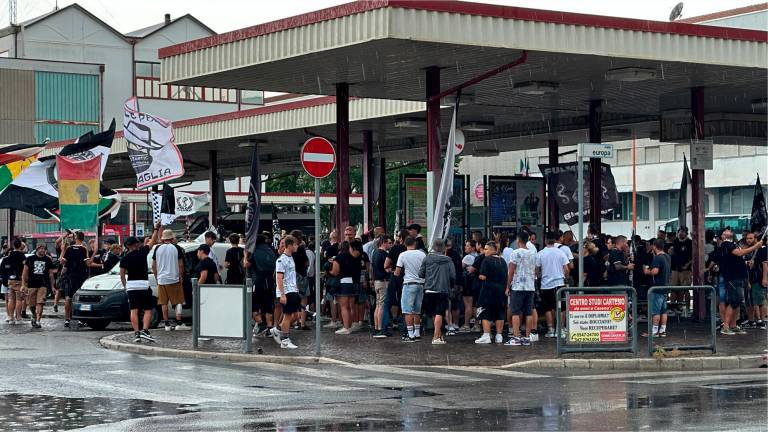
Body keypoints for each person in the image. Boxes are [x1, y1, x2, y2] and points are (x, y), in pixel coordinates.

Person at [718, 228, 762, 335]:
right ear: (723, 236)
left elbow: (737, 258)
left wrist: (746, 263)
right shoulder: (726, 244)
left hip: (740, 276)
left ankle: (733, 325)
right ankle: (726, 326)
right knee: (733, 301)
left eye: (728, 231)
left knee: (737, 302)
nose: (727, 231)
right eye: (724, 232)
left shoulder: (734, 244)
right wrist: (755, 246)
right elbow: (739, 253)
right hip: (733, 278)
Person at [120, 232, 158, 343]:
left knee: (134, 310)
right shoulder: (142, 252)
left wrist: (125, 286)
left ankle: (136, 333)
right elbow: (153, 241)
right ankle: (145, 331)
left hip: (131, 286)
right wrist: (156, 229)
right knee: (147, 309)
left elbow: (122, 275)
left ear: (127, 246)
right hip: (143, 285)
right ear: (136, 244)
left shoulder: (124, 258)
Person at [418, 238, 455, 345]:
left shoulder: (427, 258)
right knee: (439, 313)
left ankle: (438, 335)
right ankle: (435, 337)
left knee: (434, 313)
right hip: (443, 289)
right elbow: (453, 276)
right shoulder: (448, 260)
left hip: (429, 290)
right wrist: (451, 285)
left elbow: (420, 274)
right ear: (444, 248)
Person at [536, 232, 570, 338]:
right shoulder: (560, 252)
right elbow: (567, 269)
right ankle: (560, 329)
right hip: (559, 283)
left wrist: (541, 275)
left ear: (545, 241)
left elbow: (537, 270)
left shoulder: (540, 253)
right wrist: (565, 277)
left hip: (545, 284)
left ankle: (550, 329)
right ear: (555, 241)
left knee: (548, 307)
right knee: (561, 307)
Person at [152, 229, 187, 331]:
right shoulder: (177, 248)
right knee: (178, 301)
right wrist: (181, 276)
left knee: (163, 303)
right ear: (172, 239)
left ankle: (167, 324)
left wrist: (157, 277)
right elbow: (180, 264)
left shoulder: (157, 248)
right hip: (174, 278)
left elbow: (153, 265)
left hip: (161, 279)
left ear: (163, 239)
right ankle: (179, 323)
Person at [506, 232, 537, 346]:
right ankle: (527, 337)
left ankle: (516, 337)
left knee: (515, 312)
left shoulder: (514, 253)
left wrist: (507, 286)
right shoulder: (533, 254)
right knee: (528, 312)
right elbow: (536, 270)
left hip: (518, 286)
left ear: (518, 240)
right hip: (530, 286)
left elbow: (511, 271)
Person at [395, 236, 427, 342]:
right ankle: (417, 333)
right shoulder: (422, 254)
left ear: (405, 244)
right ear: (415, 243)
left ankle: (410, 335)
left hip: (409, 284)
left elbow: (397, 271)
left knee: (407, 310)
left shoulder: (403, 255)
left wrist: (394, 273)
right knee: (417, 311)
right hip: (420, 284)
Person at [475, 241, 507, 344]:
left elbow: (483, 276)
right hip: (501, 291)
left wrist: (479, 276)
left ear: (493, 250)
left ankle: (486, 335)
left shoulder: (486, 260)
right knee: (499, 313)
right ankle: (499, 335)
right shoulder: (503, 261)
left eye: (486, 249)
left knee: (486, 313)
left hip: (488, 290)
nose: (485, 251)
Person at [272, 235, 301, 349]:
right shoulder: (281, 259)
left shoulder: (290, 257)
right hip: (287, 291)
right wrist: (282, 294)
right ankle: (285, 340)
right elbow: (279, 278)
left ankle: (278, 330)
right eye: (295, 244)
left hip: (292, 290)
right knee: (288, 315)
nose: (297, 246)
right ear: (290, 245)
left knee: (294, 315)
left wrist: (296, 287)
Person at [245, 235, 277, 336]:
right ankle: (269, 328)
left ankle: (260, 323)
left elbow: (246, 264)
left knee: (252, 304)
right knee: (268, 305)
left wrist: (245, 255)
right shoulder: (271, 250)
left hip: (258, 280)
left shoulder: (254, 251)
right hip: (270, 280)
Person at [329, 241, 362, 334]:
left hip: (343, 283)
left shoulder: (338, 258)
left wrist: (329, 271)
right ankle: (350, 326)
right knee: (351, 307)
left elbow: (335, 272)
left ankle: (346, 327)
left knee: (344, 307)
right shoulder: (353, 258)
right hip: (352, 282)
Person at [642, 239, 672, 338]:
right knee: (663, 311)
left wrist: (647, 271)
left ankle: (654, 332)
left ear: (654, 246)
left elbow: (655, 271)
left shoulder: (658, 258)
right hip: (666, 286)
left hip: (657, 287)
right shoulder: (667, 256)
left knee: (655, 311)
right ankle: (662, 331)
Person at [60, 231, 90, 328]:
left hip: (70, 277)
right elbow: (88, 263)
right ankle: (81, 319)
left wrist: (63, 250)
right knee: (81, 298)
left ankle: (67, 319)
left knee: (68, 298)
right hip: (81, 277)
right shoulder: (84, 249)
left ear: (75, 237)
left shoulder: (69, 249)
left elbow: (62, 262)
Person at [22, 244, 55, 328]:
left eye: (44, 249)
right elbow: (24, 273)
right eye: (41, 249)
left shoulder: (48, 259)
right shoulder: (30, 259)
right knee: (31, 305)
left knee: (40, 303)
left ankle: (38, 320)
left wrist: (52, 286)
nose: (43, 250)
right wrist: (23, 284)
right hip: (31, 284)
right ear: (37, 249)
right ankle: (34, 315)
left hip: (43, 285)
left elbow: (50, 274)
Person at [383, 229, 409, 337]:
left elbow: (386, 265)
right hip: (407, 278)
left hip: (395, 277)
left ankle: (384, 327)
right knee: (406, 303)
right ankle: (406, 328)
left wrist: (391, 270)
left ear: (401, 238)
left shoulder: (394, 249)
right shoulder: (411, 250)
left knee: (387, 302)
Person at [371, 235, 392, 338]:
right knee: (382, 305)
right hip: (383, 281)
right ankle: (380, 329)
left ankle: (376, 327)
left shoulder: (375, 253)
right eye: (389, 242)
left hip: (377, 281)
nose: (390, 244)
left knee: (378, 304)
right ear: (383, 242)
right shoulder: (384, 254)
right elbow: (387, 269)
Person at [1, 239, 27, 325]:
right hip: (19, 279)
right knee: (19, 299)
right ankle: (18, 317)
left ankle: (10, 317)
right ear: (20, 246)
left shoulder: (10, 255)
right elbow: (25, 266)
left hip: (10, 279)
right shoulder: (22, 256)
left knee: (11, 299)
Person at [444, 238, 464, 335]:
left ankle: (450, 324)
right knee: (456, 305)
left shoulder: (445, 256)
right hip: (458, 283)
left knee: (448, 305)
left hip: (448, 283)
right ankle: (456, 324)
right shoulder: (457, 255)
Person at [460, 240, 478, 332]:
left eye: (467, 246)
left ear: (473, 248)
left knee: (468, 305)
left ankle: (466, 324)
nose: (465, 247)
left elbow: (460, 267)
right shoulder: (477, 257)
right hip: (474, 283)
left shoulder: (468, 257)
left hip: (467, 283)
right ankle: (476, 324)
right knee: (474, 305)